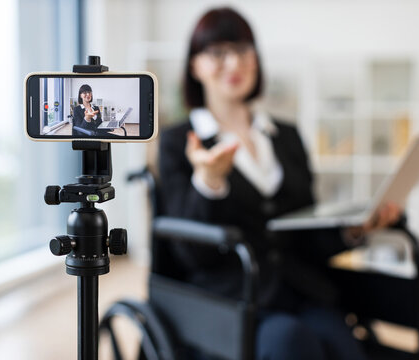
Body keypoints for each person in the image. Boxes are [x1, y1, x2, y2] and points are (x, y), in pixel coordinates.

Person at [159, 7, 402, 360]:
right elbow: (191, 253)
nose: (233, 63)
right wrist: (209, 182)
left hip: (298, 288)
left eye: (243, 50)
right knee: (290, 343)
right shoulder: (179, 142)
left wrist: (354, 230)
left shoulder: (285, 136)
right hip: (229, 299)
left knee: (345, 347)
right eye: (217, 52)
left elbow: (305, 232)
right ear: (195, 66)